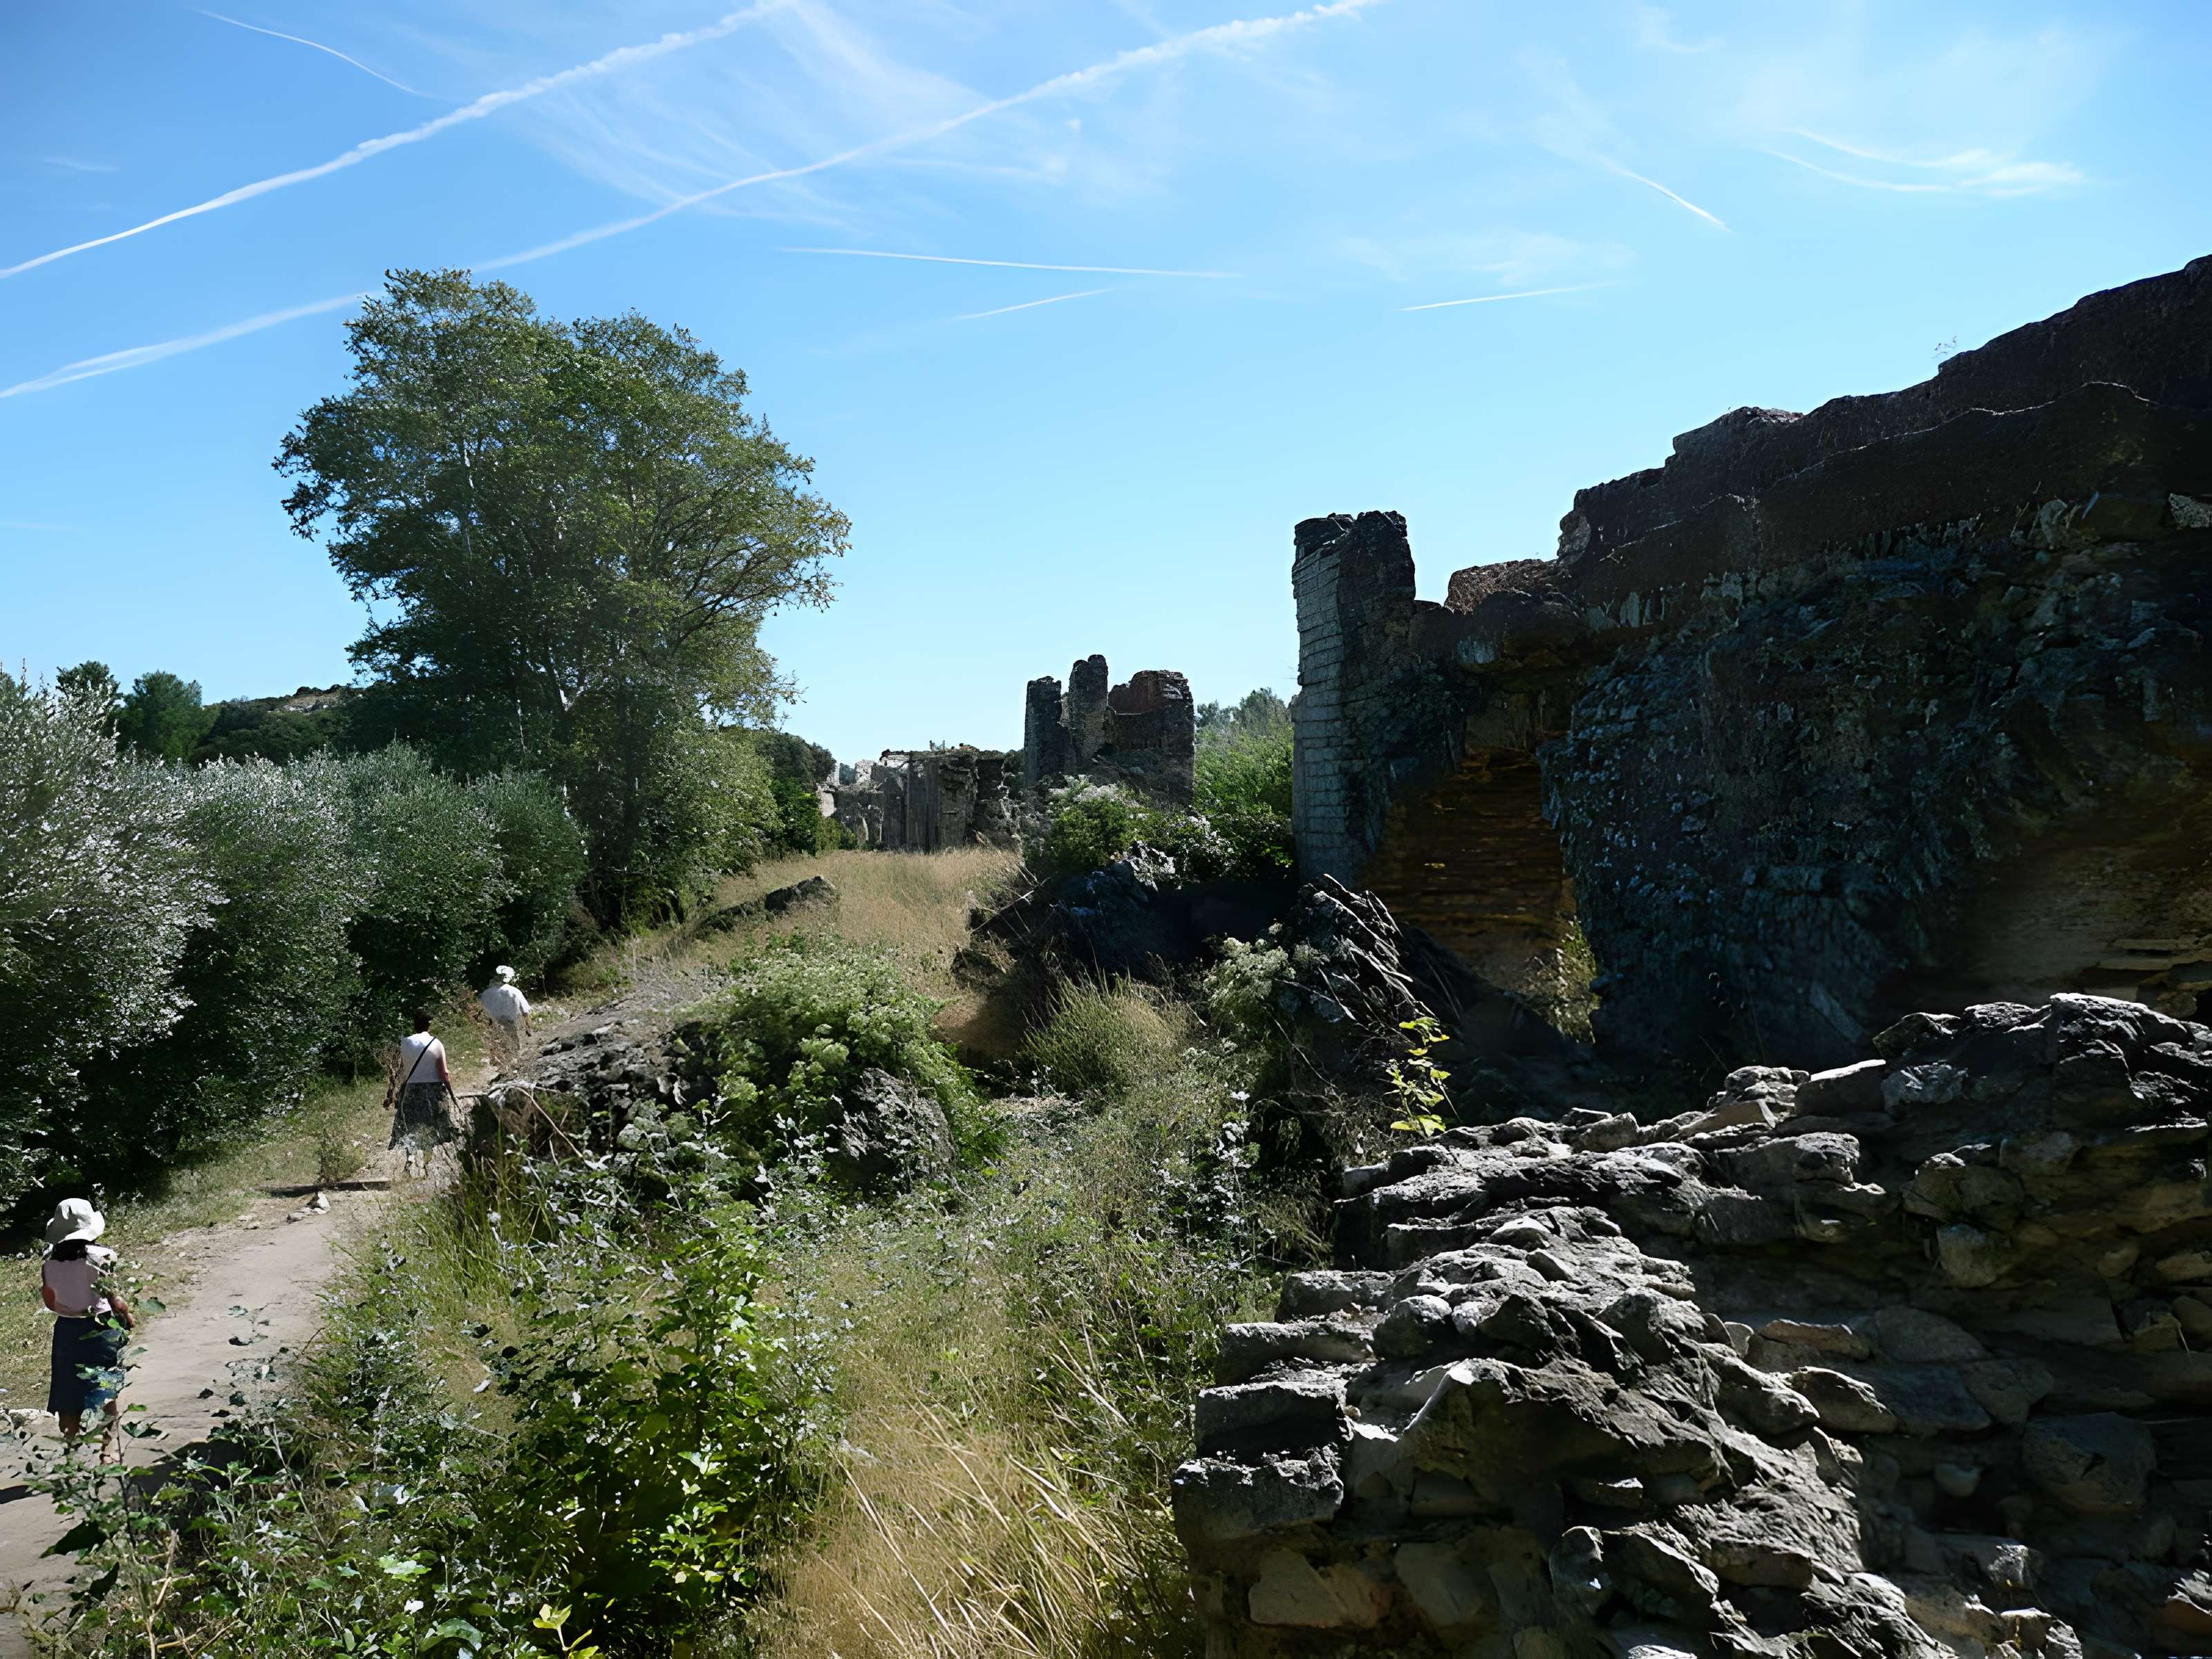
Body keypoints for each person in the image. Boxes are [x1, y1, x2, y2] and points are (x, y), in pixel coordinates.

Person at [39, 1198, 133, 1463]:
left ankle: (71, 1453)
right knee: (105, 1388)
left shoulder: (49, 1265)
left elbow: (50, 1302)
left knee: (67, 1392)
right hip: (101, 1328)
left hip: (67, 1331)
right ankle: (109, 1450)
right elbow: (114, 1298)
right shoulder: (103, 1257)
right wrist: (127, 1315)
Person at [385, 1012, 458, 1178]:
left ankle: (410, 1162)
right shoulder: (436, 1043)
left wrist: (391, 1092)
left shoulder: (405, 1043)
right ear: (428, 1025)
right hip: (432, 1093)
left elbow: (399, 1070)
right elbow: (444, 1073)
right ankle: (426, 1166)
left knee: (410, 1128)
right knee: (431, 1128)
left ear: (414, 1025)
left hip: (411, 1092)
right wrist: (451, 1093)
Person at [478, 965, 532, 1064]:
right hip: (510, 1024)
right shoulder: (515, 991)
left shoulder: (485, 994)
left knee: (498, 1050)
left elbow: (482, 1013)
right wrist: (528, 1027)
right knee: (516, 1050)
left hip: (493, 1026)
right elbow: (525, 1011)